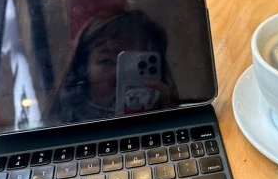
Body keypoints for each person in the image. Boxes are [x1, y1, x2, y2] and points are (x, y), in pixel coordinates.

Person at [44, 8, 178, 125]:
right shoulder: (62, 124)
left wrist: (170, 118)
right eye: (107, 61)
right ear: (83, 68)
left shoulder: (162, 111)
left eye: (137, 65)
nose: (118, 75)